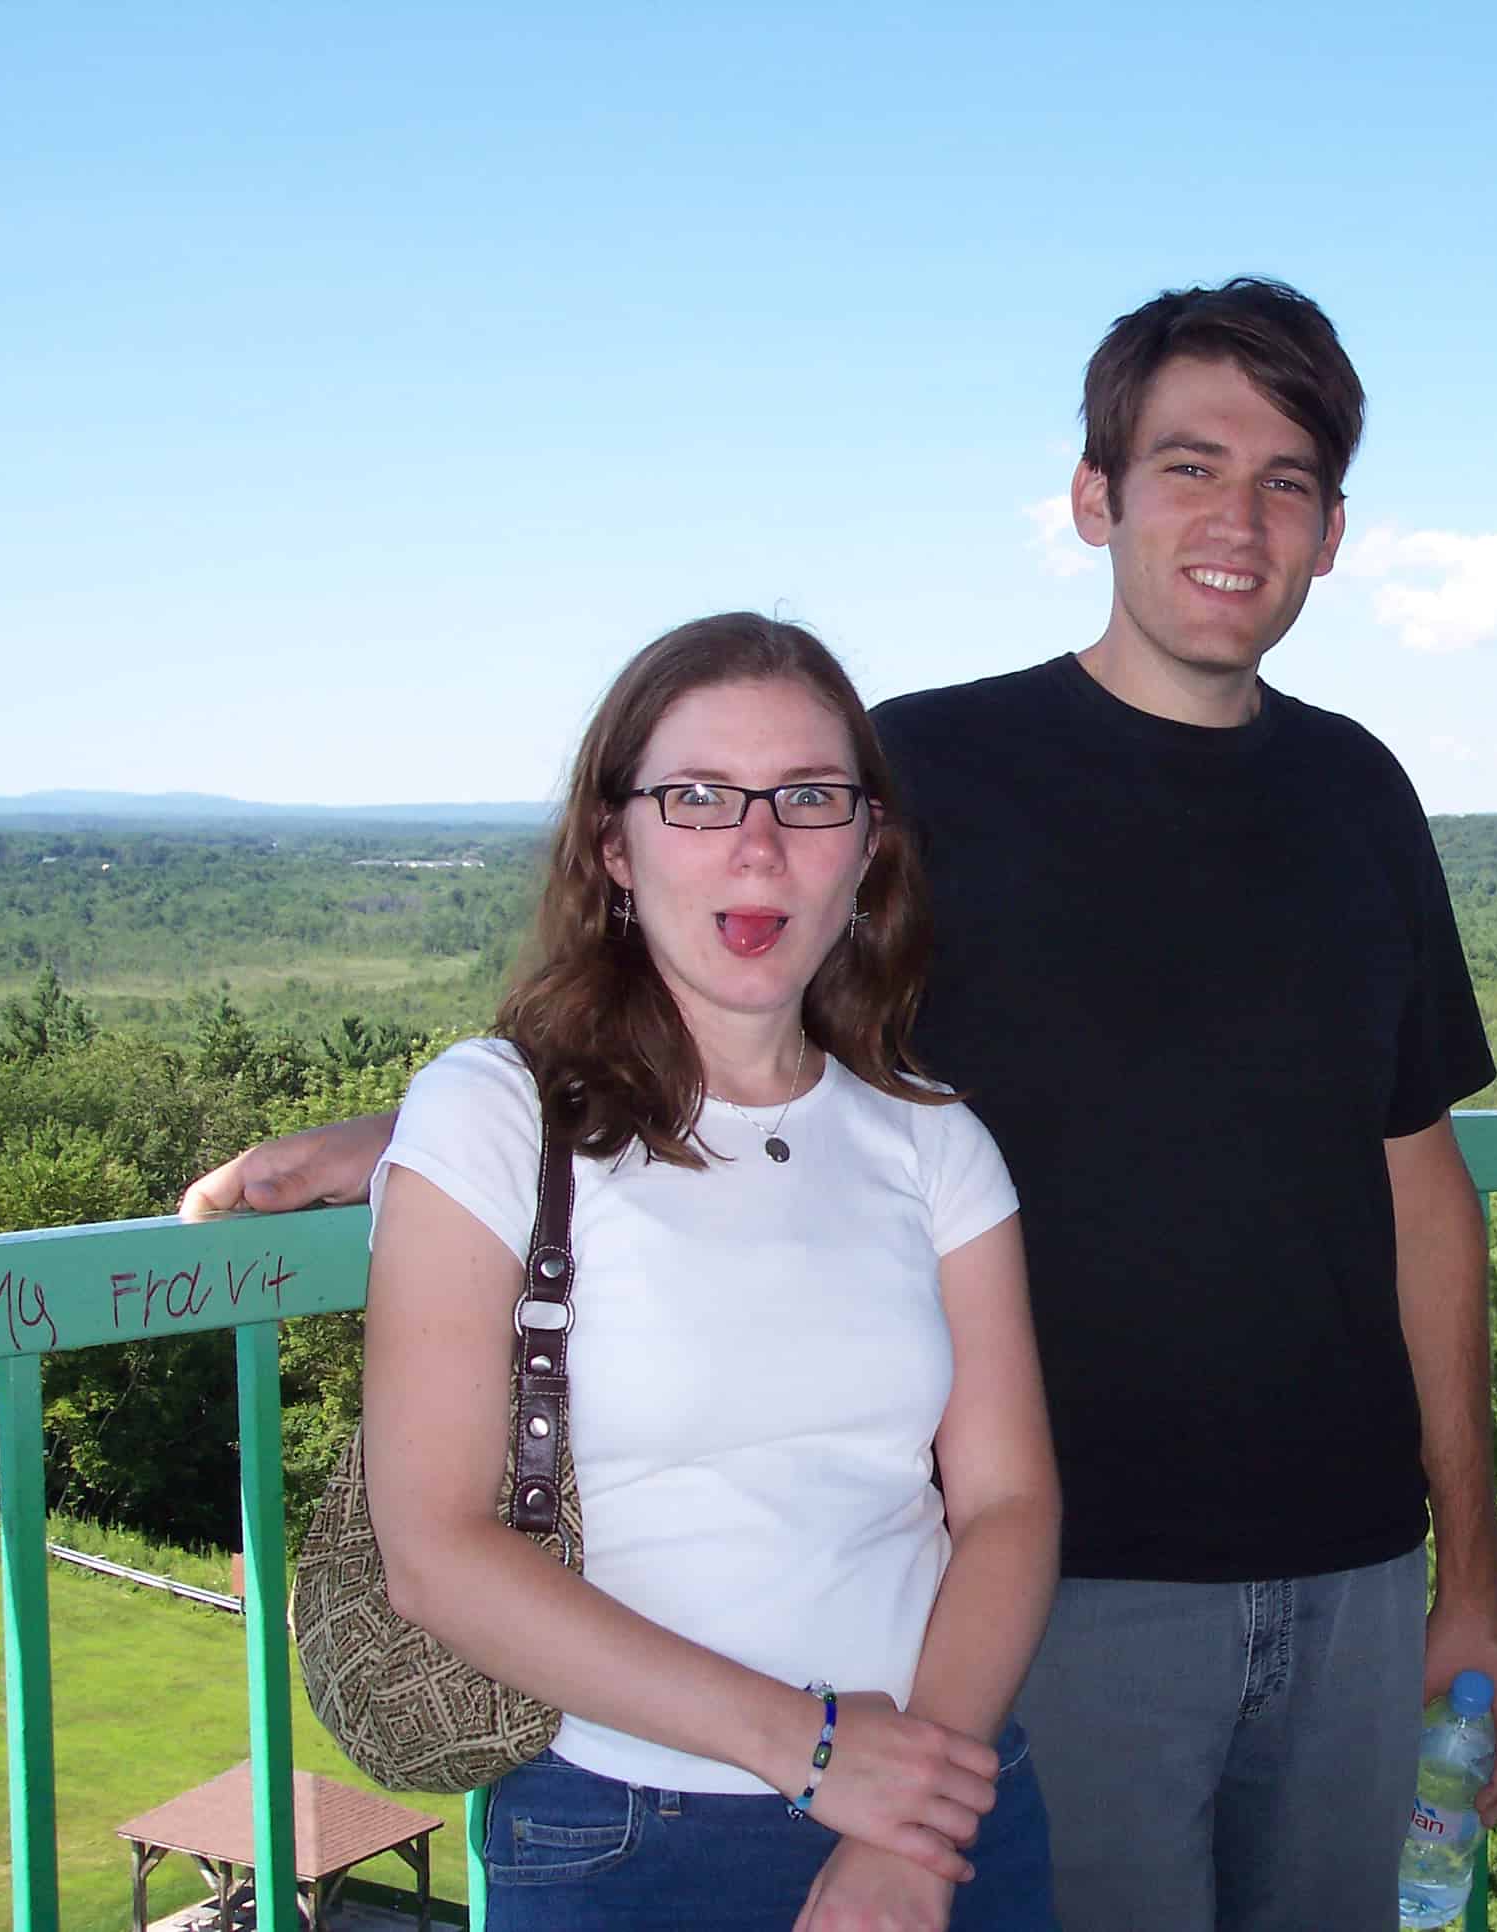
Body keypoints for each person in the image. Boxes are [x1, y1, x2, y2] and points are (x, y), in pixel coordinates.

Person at [184, 279, 1497, 1931]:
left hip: (1347, 1573)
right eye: (1189, 466)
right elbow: (721, 970)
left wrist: (1469, 1577)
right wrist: (435, 1138)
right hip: (1050, 1599)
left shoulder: (1361, 796)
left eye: (1287, 482)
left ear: (1334, 532)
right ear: (1095, 497)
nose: (1237, 520)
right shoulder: (927, 774)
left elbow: (1421, 1187)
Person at [359, 611, 1059, 1932]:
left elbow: (1012, 1503)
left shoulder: (932, 1140)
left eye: (808, 797)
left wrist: (911, 1813)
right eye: (697, 797)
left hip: (946, 1805)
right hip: (630, 1831)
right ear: (614, 848)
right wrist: (809, 1748)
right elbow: (432, 1552)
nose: (757, 844)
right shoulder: (496, 1116)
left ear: (868, 854)